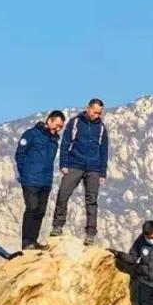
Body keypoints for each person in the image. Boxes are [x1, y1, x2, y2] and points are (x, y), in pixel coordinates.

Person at [50, 98, 110, 246]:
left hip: (94, 169)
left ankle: (90, 234)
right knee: (63, 193)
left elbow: (104, 152)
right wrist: (64, 163)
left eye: (99, 113)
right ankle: (57, 226)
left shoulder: (102, 128)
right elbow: (65, 143)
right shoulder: (75, 122)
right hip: (74, 165)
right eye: (95, 112)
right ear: (88, 108)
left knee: (92, 201)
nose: (97, 115)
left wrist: (102, 173)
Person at [14, 110, 66, 250]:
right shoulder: (31, 134)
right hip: (30, 180)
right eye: (57, 125)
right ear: (49, 121)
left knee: (40, 211)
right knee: (32, 208)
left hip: (45, 181)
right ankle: (27, 242)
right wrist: (24, 173)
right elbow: (20, 154)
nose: (58, 129)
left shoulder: (54, 141)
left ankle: (34, 241)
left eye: (61, 127)